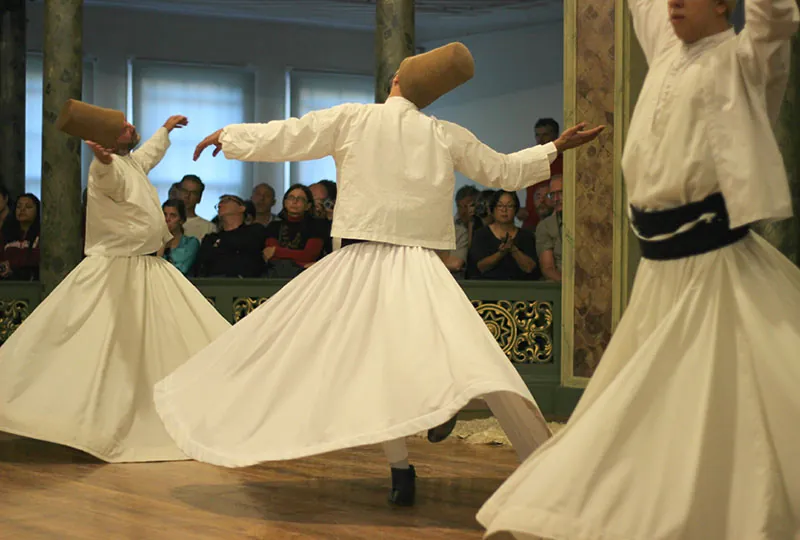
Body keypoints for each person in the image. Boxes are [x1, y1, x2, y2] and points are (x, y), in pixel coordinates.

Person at [153, 42, 603, 506]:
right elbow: (504, 170)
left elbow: (292, 134)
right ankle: (453, 440)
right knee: (457, 354)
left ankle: (407, 462)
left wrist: (229, 136)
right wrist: (554, 148)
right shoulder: (443, 133)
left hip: (362, 262)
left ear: (395, 82)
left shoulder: (355, 118)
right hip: (418, 263)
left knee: (365, 363)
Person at [478, 0, 800, 538]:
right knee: (651, 407)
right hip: (659, 276)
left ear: (723, 3)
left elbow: (776, 16)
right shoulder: (667, 48)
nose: (672, 3)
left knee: (725, 407)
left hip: (714, 269)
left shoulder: (749, 59)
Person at [0, 111, 231, 462]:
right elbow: (107, 180)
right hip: (117, 269)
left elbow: (149, 154)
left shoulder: (133, 163)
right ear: (109, 141)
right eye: (124, 128)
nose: (131, 127)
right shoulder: (105, 169)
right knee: (106, 343)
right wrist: (102, 160)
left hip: (145, 266)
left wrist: (165, 130)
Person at [160, 198, 200, 275]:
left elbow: (180, 269)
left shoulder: (191, 243)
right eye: (164, 214)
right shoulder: (153, 243)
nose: (167, 219)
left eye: (173, 216)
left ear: (182, 220)